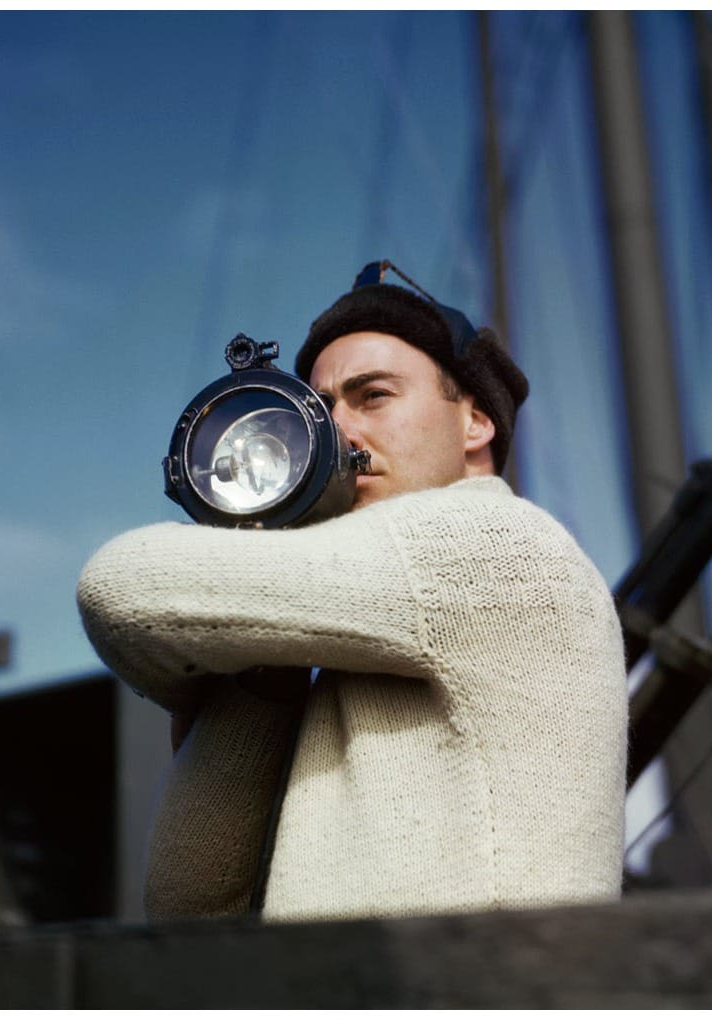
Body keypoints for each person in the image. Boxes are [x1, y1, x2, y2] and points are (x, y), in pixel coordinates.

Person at [77, 262, 628, 924]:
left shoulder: (495, 543)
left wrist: (197, 648)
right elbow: (193, 905)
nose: (339, 434)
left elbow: (125, 585)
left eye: (374, 397)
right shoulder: (354, 628)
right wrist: (256, 676)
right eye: (323, 407)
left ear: (475, 422)